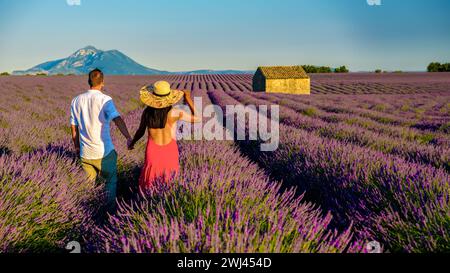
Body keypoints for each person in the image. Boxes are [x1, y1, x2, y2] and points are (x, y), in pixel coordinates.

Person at [70, 68, 132, 212]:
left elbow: (74, 128)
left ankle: (88, 213)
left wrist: (77, 147)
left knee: (87, 187)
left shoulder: (76, 100)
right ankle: (108, 215)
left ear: (88, 81)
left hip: (85, 153)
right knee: (110, 182)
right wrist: (128, 137)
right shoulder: (105, 99)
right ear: (102, 82)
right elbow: (117, 119)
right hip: (105, 153)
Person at [128, 81, 200, 190]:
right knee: (170, 180)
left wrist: (132, 142)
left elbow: (140, 131)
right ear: (169, 97)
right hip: (170, 149)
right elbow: (197, 118)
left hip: (152, 150)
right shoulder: (174, 113)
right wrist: (188, 98)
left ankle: (148, 203)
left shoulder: (147, 113)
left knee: (150, 180)